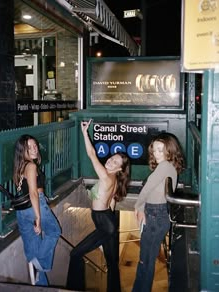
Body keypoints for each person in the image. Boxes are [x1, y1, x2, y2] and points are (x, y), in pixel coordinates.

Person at [66, 119, 130, 292]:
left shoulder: (106, 176)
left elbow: (92, 154)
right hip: (107, 219)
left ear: (119, 170)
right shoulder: (114, 179)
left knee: (75, 253)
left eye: (115, 162)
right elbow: (112, 202)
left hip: (104, 222)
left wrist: (85, 133)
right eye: (112, 158)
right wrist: (112, 228)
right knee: (111, 262)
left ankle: (74, 288)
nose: (110, 161)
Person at [132, 132, 184, 292]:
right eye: (154, 150)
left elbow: (147, 188)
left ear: (170, 149)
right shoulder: (169, 167)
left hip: (155, 214)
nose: (157, 153)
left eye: (161, 149)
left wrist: (138, 206)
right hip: (157, 214)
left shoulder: (165, 166)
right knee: (146, 260)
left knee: (145, 262)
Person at [13, 134, 61, 286]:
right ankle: (41, 263)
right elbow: (33, 192)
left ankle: (40, 280)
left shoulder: (20, 166)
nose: (34, 149)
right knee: (54, 231)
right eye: (29, 147)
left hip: (22, 211)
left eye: (35, 146)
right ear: (23, 150)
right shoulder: (31, 166)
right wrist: (38, 218)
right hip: (35, 205)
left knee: (32, 245)